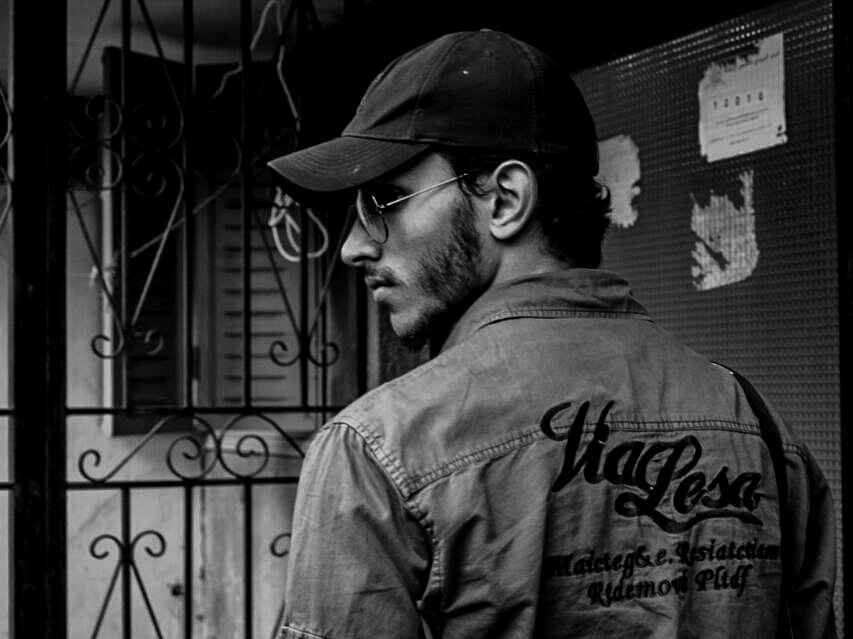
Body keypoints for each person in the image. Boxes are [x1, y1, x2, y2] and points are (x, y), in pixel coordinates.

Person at [267, 29, 837, 639]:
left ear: (505, 200)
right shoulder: (758, 427)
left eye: (384, 201)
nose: (354, 246)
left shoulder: (379, 449)